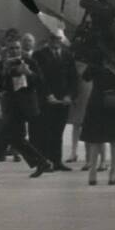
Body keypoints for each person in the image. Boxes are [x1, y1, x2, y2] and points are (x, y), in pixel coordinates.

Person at [0, 38, 52, 178]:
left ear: (21, 49)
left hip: (26, 105)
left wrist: (29, 73)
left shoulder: (29, 61)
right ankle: (42, 162)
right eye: (11, 48)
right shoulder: (2, 64)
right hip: (11, 105)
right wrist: (4, 72)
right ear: (7, 50)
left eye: (17, 48)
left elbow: (41, 82)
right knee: (14, 138)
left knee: (4, 134)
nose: (15, 51)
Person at [31, 31, 79, 171]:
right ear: (48, 39)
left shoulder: (67, 55)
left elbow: (73, 78)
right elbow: (38, 78)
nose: (55, 41)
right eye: (53, 38)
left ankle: (57, 161)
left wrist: (70, 95)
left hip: (63, 100)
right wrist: (47, 95)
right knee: (45, 132)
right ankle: (45, 162)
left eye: (58, 39)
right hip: (46, 100)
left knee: (58, 132)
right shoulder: (39, 55)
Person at [81, 61, 115, 185]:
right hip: (98, 101)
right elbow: (85, 77)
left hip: (114, 100)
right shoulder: (96, 60)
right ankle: (93, 171)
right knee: (96, 138)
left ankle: (113, 171)